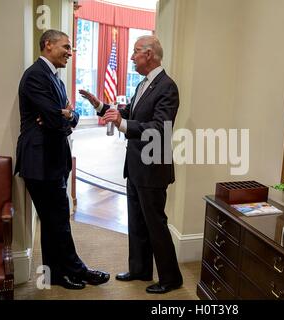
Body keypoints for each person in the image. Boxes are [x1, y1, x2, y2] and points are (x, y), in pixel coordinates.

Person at [79, 35, 183, 294]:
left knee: (155, 224)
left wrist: (122, 125)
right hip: (136, 166)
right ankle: (140, 269)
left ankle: (172, 279)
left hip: (153, 167)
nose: (131, 57)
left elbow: (160, 128)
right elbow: (128, 114)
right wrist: (101, 106)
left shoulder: (167, 86)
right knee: (136, 221)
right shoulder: (143, 84)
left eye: (136, 52)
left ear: (149, 54)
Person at [14, 29, 110, 290]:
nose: (70, 52)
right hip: (39, 160)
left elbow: (69, 116)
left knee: (54, 220)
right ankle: (76, 269)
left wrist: (65, 116)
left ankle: (58, 273)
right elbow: (58, 118)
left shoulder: (56, 78)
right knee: (57, 219)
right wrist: (63, 116)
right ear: (48, 45)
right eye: (66, 47)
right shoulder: (35, 75)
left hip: (53, 159)